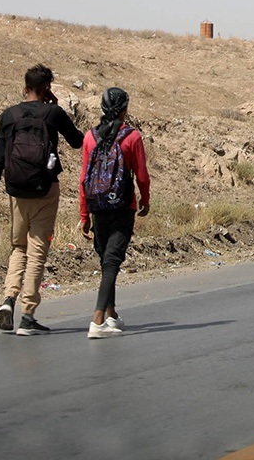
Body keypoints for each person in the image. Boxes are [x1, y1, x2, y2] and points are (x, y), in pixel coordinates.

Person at [0, 64, 84, 336]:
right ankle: (27, 314)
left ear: (25, 86)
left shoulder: (8, 115)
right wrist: (56, 107)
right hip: (45, 189)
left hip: (15, 190)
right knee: (37, 249)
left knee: (18, 247)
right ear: (46, 88)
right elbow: (77, 142)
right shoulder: (54, 113)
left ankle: (8, 300)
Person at [79, 87, 150, 339]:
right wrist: (146, 199)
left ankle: (111, 315)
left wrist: (84, 215)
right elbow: (141, 175)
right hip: (122, 206)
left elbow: (83, 179)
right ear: (124, 109)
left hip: (97, 207)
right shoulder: (132, 137)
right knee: (111, 263)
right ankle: (97, 320)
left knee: (106, 261)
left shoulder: (90, 137)